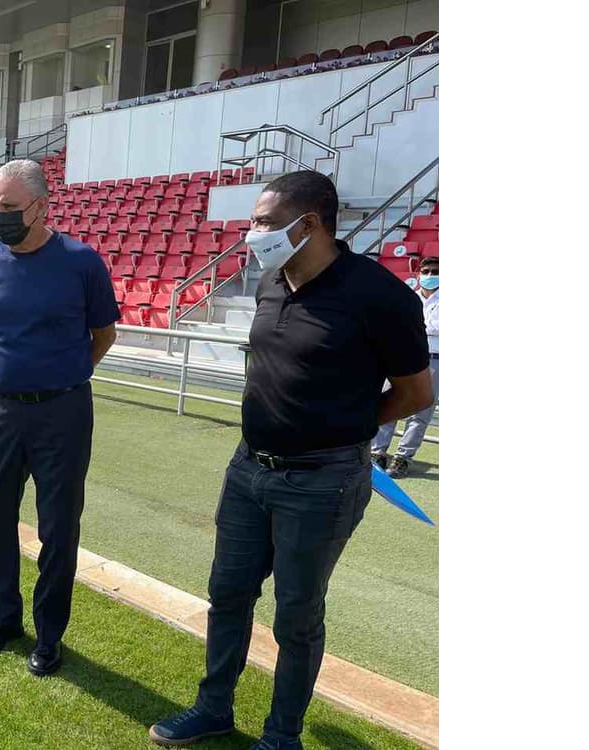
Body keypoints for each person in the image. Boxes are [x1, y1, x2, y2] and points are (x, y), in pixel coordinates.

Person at [149, 172, 433, 749]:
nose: (252, 234)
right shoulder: (273, 282)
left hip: (322, 481)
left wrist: (344, 423)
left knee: (296, 616)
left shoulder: (380, 297)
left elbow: (414, 395)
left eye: (263, 223)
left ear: (309, 225)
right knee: (228, 594)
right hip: (248, 468)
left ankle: (282, 737)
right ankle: (214, 708)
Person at [0, 159, 120, 677]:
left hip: (64, 412)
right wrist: (11, 374)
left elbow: (104, 335)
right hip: (1, 410)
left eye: (9, 207)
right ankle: (2, 619)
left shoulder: (81, 262)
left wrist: (61, 377)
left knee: (59, 525)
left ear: (41, 206)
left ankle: (49, 635)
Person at [372, 256, 439, 478]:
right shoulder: (410, 297)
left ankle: (403, 457)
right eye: (426, 270)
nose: (430, 275)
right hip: (403, 353)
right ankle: (377, 452)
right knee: (390, 401)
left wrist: (415, 326)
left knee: (421, 411)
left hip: (435, 358)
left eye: (435, 271)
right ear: (418, 273)